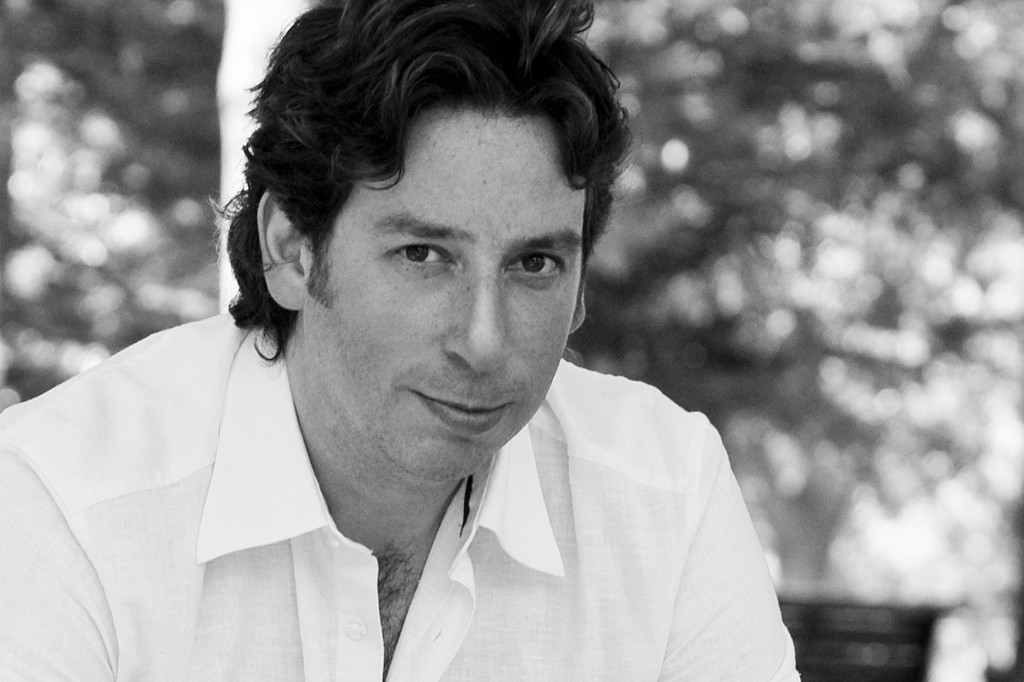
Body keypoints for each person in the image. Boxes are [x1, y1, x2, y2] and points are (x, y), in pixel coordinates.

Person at [0, 0, 799, 680]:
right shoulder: (62, 507)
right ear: (290, 249)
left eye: (535, 264)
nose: (484, 343)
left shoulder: (665, 495)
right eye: (424, 255)